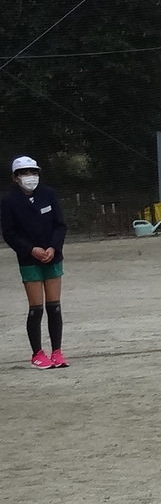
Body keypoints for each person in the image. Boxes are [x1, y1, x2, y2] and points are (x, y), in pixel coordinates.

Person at [2, 155, 67, 368]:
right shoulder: (9, 201)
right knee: (36, 308)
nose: (30, 177)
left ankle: (57, 351)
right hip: (29, 260)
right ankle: (37, 353)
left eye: (33, 172)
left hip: (52, 257)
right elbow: (10, 234)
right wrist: (31, 250)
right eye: (24, 173)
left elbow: (60, 225)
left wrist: (52, 247)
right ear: (15, 177)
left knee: (54, 306)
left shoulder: (48, 194)